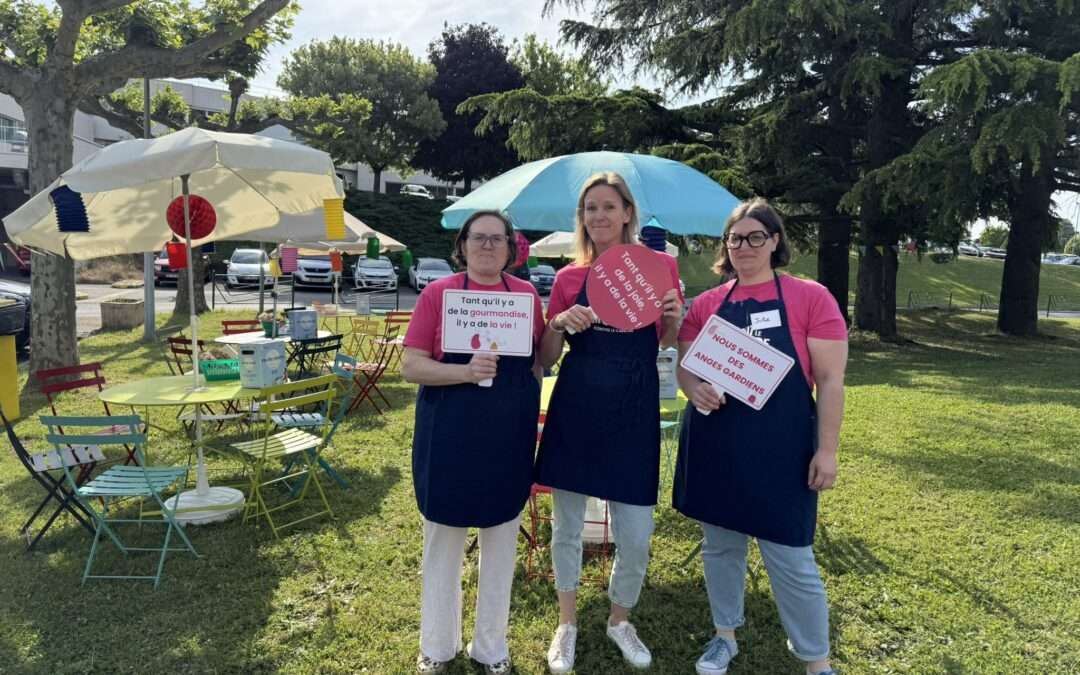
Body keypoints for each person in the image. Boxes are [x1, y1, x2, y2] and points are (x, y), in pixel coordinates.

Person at [673, 198, 848, 675]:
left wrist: (827, 450)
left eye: (755, 237)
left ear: (774, 242)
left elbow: (831, 380)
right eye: (735, 238)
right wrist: (695, 389)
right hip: (716, 442)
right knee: (720, 547)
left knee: (791, 554)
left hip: (782, 446)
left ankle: (817, 661)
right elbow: (687, 368)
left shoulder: (811, 298)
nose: (744, 246)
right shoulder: (708, 304)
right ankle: (724, 636)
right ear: (725, 246)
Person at [534, 172, 683, 673]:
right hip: (577, 406)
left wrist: (675, 318)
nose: (598, 215)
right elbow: (546, 358)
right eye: (589, 208)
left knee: (636, 532)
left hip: (634, 408)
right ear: (582, 217)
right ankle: (567, 623)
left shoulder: (660, 268)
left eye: (608, 206)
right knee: (567, 527)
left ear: (627, 213)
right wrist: (559, 323)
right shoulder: (567, 278)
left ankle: (620, 621)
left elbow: (664, 341)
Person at [401, 210, 546, 675]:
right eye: (478, 237)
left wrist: (560, 327)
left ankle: (491, 647)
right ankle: (437, 646)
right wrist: (464, 372)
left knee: (501, 542)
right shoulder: (438, 294)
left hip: (507, 436)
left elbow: (539, 361)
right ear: (462, 246)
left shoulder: (526, 296)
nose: (487, 245)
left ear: (511, 248)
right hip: (449, 434)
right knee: (443, 543)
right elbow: (411, 366)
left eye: (497, 238)